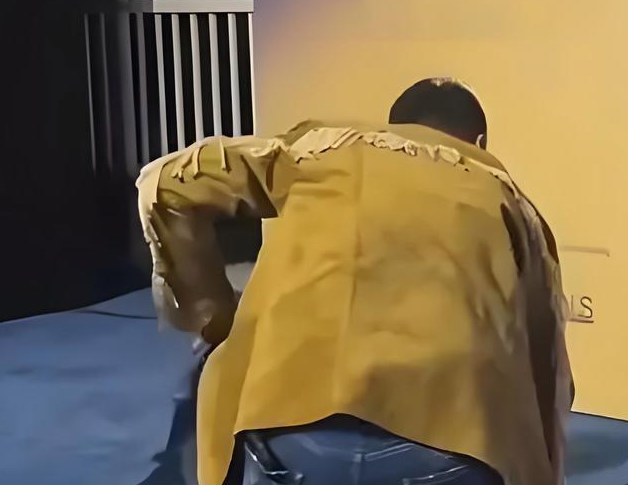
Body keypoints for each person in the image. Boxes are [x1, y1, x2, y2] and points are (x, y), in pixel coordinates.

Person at [136, 78, 571, 485]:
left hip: (289, 429)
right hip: (449, 446)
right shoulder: (510, 202)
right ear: (479, 143)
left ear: (394, 127)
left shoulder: (324, 148)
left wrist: (214, 315)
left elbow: (164, 184)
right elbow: (547, 370)